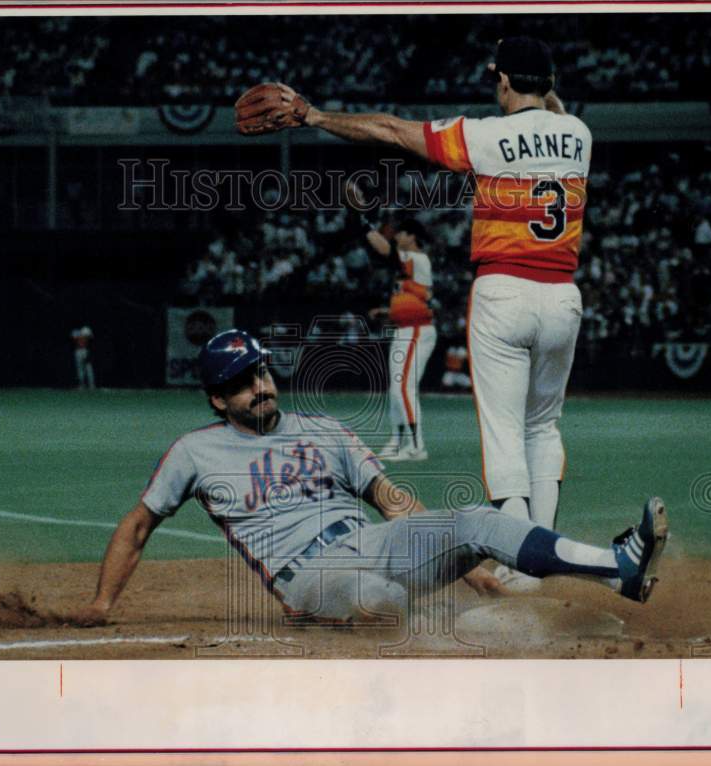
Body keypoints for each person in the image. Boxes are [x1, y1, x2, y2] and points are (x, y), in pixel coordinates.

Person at [235, 35, 590, 590]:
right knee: (542, 427)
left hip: (504, 292)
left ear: (503, 81)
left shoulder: (485, 135)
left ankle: (526, 554)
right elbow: (552, 111)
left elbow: (391, 130)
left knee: (502, 434)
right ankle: (543, 546)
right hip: (564, 296)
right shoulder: (578, 135)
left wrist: (313, 114)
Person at [73, 330, 667, 627]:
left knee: (481, 520)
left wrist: (470, 560)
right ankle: (482, 637)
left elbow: (390, 500)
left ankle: (620, 571)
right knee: (377, 600)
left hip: (373, 542)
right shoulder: (194, 452)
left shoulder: (326, 430)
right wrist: (103, 603)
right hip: (308, 578)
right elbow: (139, 524)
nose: (260, 387)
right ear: (216, 400)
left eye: (261, 373)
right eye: (241, 383)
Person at [363, 217, 437, 461]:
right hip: (404, 328)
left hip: (417, 330)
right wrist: (388, 312)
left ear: (412, 237)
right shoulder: (409, 266)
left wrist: (364, 223)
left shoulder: (418, 258)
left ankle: (417, 446)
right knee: (396, 389)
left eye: (401, 233)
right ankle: (396, 442)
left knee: (404, 387)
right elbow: (415, 297)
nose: (396, 237)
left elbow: (384, 249)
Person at [70, 325, 96, 389]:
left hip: (84, 351)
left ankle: (90, 385)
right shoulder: (78, 334)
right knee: (81, 369)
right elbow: (73, 337)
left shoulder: (84, 335)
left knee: (88, 369)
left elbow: (89, 339)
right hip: (80, 351)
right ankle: (83, 385)